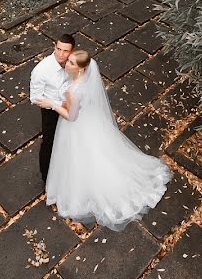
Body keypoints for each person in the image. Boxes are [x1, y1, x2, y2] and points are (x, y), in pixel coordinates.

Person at [37, 50, 172, 231]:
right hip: (91, 121)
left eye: (70, 63)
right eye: (68, 61)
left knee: (80, 156)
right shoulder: (84, 80)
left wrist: (52, 104)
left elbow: (71, 116)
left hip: (76, 126)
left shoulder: (73, 90)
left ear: (79, 69)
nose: (66, 64)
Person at [29, 34, 75, 185]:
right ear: (54, 46)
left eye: (65, 51)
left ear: (72, 51)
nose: (61, 54)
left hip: (70, 106)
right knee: (49, 143)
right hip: (51, 111)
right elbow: (35, 98)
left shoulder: (73, 63)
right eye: (58, 49)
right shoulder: (41, 70)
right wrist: (57, 104)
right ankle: (46, 177)